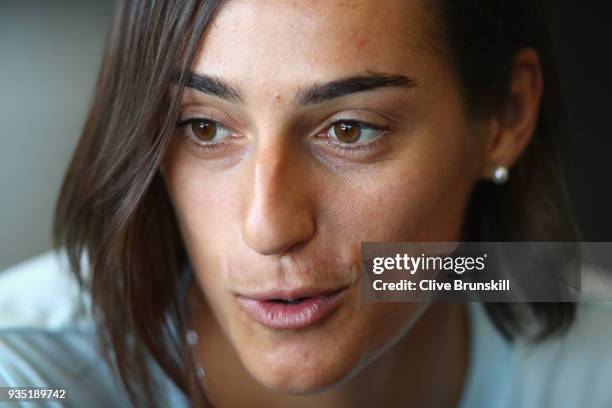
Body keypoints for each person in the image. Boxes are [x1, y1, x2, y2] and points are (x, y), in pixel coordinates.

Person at [2, 0, 612, 407]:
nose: (268, 227)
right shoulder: (30, 372)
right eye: (206, 128)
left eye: (350, 130)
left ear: (506, 116)